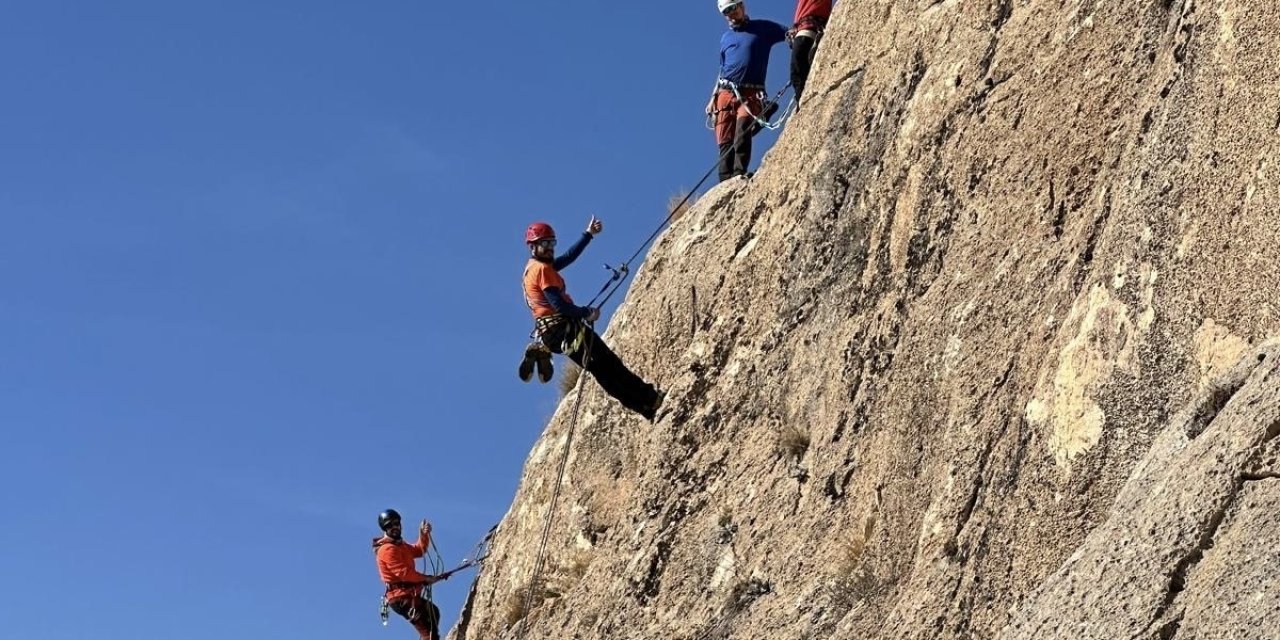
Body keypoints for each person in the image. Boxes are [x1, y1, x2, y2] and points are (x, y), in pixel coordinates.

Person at [521, 218, 664, 421]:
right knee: (608, 364)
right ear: (533, 246)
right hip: (563, 329)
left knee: (601, 369)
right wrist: (586, 313)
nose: (550, 247)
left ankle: (644, 406)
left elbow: (568, 257)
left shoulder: (535, 267)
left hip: (554, 333)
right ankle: (649, 398)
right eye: (545, 243)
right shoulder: (542, 270)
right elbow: (559, 305)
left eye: (552, 242)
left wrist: (587, 235)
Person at [705, 0, 788, 182]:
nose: (730, 14)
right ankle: (725, 180)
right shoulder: (726, 38)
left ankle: (738, 172)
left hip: (750, 93)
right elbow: (722, 70)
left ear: (742, 6)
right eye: (726, 12)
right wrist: (713, 98)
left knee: (742, 130)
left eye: (732, 8)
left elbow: (789, 34)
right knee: (725, 139)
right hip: (725, 92)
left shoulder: (762, 28)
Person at [372, 509, 448, 640]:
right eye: (389, 525)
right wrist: (426, 578)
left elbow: (419, 550)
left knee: (433, 613)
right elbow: (404, 573)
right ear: (384, 529)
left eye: (396, 523)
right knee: (428, 629)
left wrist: (424, 534)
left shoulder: (400, 545)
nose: (394, 527)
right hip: (401, 598)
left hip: (406, 595)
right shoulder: (387, 549)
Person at [789, 0, 833, 107]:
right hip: (806, 29)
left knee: (797, 71)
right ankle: (802, 102)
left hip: (808, 30)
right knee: (798, 72)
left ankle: (803, 104)